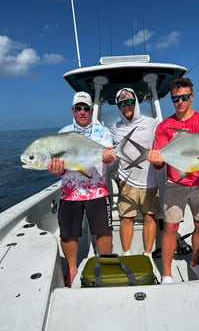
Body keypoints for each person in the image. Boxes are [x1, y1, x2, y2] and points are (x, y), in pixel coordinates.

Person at [147, 77, 199, 284]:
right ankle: (167, 274)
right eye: (175, 98)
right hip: (175, 184)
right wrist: (156, 160)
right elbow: (160, 164)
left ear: (192, 96)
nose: (180, 101)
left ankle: (195, 262)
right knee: (170, 228)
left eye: (184, 97)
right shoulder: (165, 126)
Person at [48, 91, 113, 287]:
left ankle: (106, 265)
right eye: (79, 108)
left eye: (86, 108)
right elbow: (61, 166)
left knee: (103, 231)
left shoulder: (103, 132)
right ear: (73, 110)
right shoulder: (63, 134)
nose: (82, 112)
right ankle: (72, 268)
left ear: (92, 110)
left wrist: (108, 159)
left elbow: (106, 163)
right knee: (68, 234)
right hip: (70, 192)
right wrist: (56, 170)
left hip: (98, 190)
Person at [109, 88, 160, 264]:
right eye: (122, 104)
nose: (126, 106)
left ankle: (147, 254)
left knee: (149, 217)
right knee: (126, 219)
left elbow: (163, 145)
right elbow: (107, 152)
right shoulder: (114, 129)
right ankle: (127, 253)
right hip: (126, 180)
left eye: (129, 102)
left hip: (150, 179)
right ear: (118, 107)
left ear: (136, 102)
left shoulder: (153, 123)